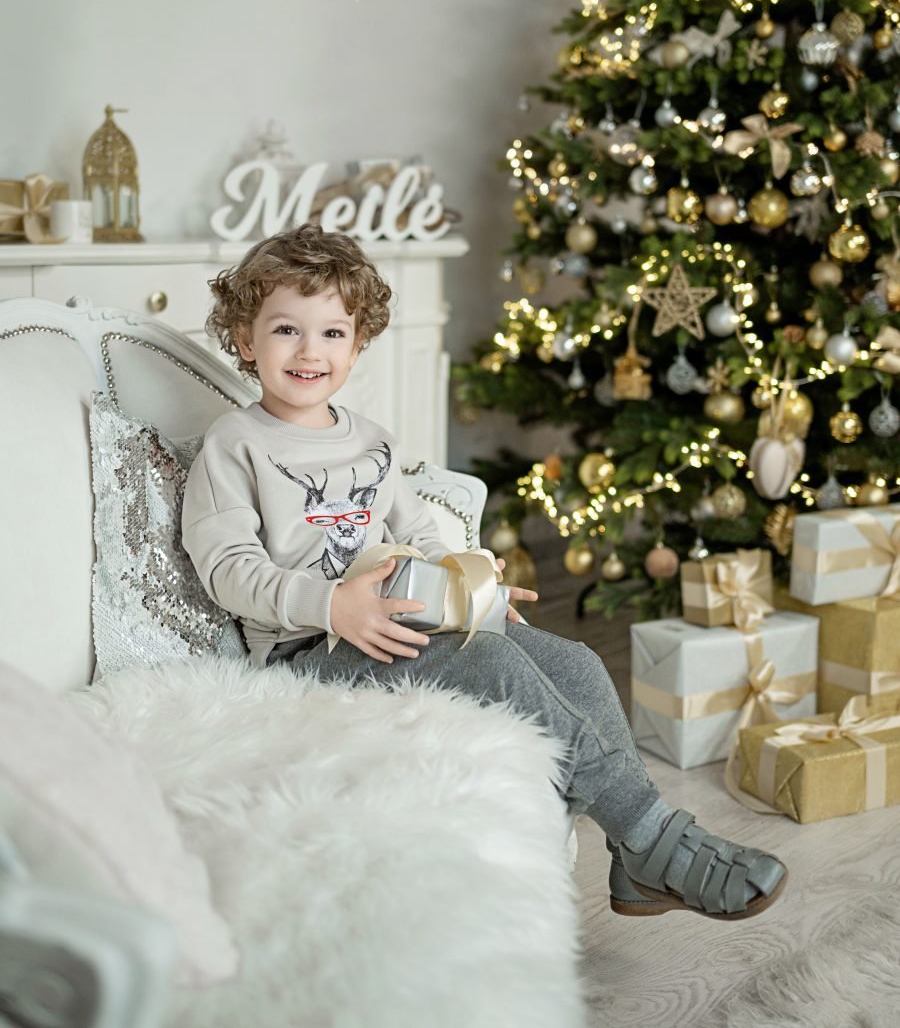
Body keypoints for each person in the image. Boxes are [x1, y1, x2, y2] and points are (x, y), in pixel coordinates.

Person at [182, 224, 788, 921]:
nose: (309, 350)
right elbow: (227, 567)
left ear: (358, 341)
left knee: (580, 661)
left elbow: (418, 535)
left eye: (332, 332)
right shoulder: (235, 445)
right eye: (286, 328)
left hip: (401, 623)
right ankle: (657, 841)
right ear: (244, 335)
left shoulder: (373, 440)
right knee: (495, 666)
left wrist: (476, 587)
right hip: (309, 657)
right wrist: (332, 606)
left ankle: (633, 866)